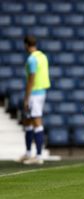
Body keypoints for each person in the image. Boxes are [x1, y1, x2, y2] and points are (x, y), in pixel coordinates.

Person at [17, 35, 51, 165]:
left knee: (36, 121)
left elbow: (31, 79)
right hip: (41, 91)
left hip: (35, 93)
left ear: (26, 45)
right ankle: (28, 153)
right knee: (27, 121)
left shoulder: (32, 59)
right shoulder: (42, 56)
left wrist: (26, 98)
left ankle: (38, 155)